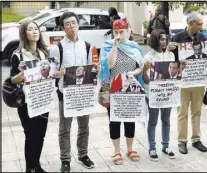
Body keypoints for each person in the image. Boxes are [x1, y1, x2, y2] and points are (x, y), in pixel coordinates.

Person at [49, 11, 95, 172]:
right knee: (64, 129)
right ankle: (65, 159)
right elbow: (52, 72)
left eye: (73, 23)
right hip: (65, 93)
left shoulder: (87, 46)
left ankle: (83, 155)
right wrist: (59, 73)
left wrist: (96, 71)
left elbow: (90, 69)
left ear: (78, 24)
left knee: (84, 127)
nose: (71, 27)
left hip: (82, 93)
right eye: (67, 24)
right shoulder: (57, 48)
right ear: (63, 28)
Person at [168, 11, 207, 154]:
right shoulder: (177, 38)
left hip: (198, 80)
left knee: (197, 111)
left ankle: (196, 139)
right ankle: (182, 141)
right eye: (199, 24)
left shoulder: (202, 37)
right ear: (190, 23)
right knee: (182, 112)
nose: (201, 27)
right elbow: (170, 60)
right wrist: (168, 49)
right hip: (183, 81)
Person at [99, 17, 144, 165]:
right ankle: (116, 150)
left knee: (130, 120)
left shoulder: (134, 46)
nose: (119, 34)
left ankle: (130, 148)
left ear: (128, 31)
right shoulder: (107, 46)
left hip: (130, 88)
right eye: (116, 32)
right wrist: (115, 46)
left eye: (122, 32)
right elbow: (110, 65)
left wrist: (135, 73)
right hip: (112, 88)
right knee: (115, 121)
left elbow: (140, 66)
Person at [10, 20, 51, 172]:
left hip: (43, 100)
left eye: (36, 29)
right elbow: (13, 80)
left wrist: (58, 73)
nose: (34, 31)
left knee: (40, 136)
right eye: (30, 29)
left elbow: (48, 74)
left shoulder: (43, 53)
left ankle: (37, 165)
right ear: (24, 34)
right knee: (31, 136)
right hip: (27, 103)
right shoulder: (18, 55)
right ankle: (30, 168)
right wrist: (23, 73)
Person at [143, 29, 176, 161]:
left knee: (166, 120)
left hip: (167, 93)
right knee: (153, 121)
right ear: (155, 40)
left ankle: (166, 146)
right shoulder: (148, 57)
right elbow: (145, 80)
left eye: (165, 39)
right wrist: (145, 69)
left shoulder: (171, 56)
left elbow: (173, 75)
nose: (164, 41)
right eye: (161, 39)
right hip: (152, 94)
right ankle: (152, 148)